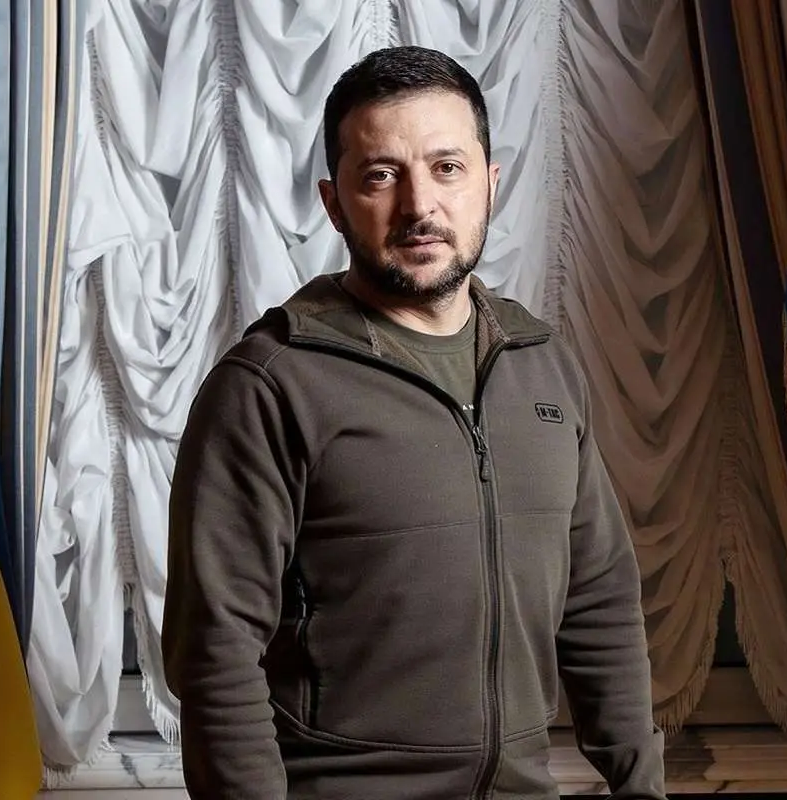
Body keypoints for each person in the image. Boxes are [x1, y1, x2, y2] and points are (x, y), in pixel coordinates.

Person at [162, 45, 666, 800]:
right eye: (380, 175)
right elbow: (215, 653)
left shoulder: (541, 364)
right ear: (335, 203)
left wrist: (642, 787)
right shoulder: (269, 386)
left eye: (447, 168)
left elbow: (599, 603)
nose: (419, 205)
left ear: (490, 183)